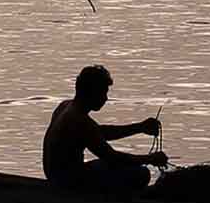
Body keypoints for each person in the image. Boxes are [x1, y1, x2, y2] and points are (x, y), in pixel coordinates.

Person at [44, 65, 166, 194]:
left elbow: (99, 132)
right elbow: (112, 157)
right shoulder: (79, 120)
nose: (106, 98)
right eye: (103, 92)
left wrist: (140, 127)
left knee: (119, 167)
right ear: (91, 92)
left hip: (57, 176)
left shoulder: (65, 106)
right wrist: (150, 159)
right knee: (141, 173)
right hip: (68, 181)